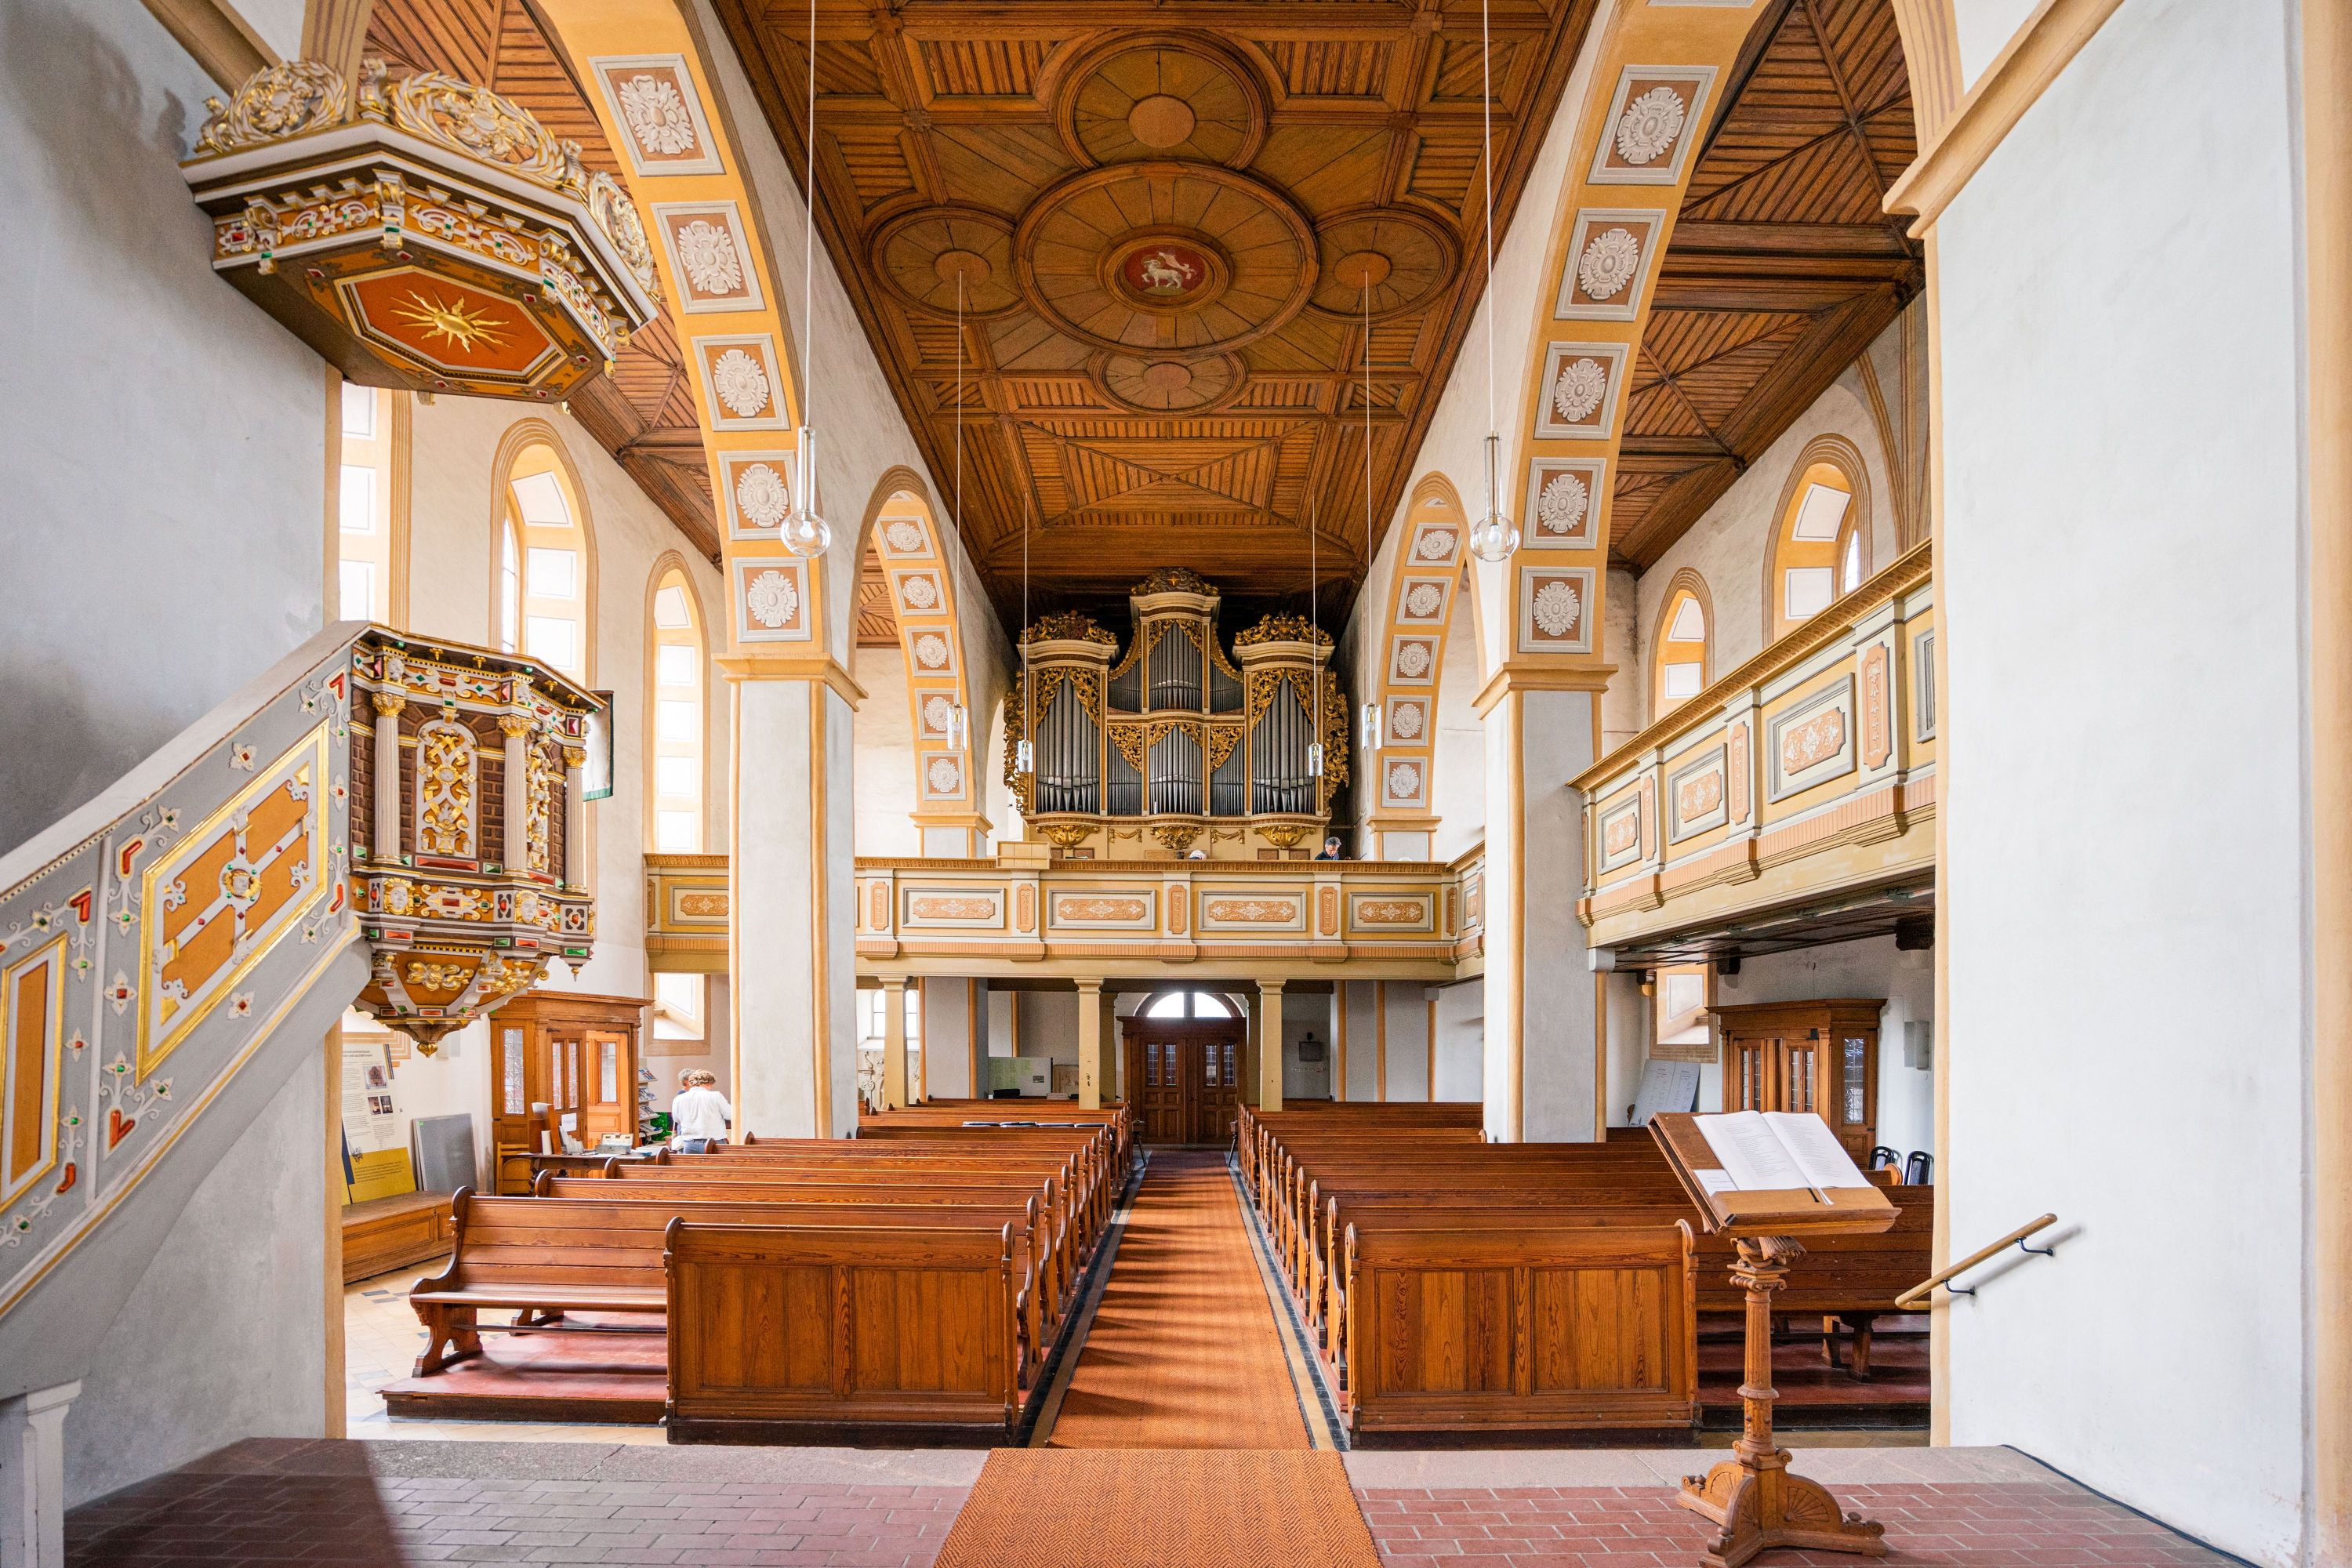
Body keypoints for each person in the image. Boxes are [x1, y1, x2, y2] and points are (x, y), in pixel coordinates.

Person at [671, 1069, 733, 1153]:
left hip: (689, 1144)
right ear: (709, 1083)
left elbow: (677, 1119)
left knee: (692, 1163)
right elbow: (730, 1115)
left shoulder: (679, 1099)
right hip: (714, 1143)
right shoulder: (716, 1096)